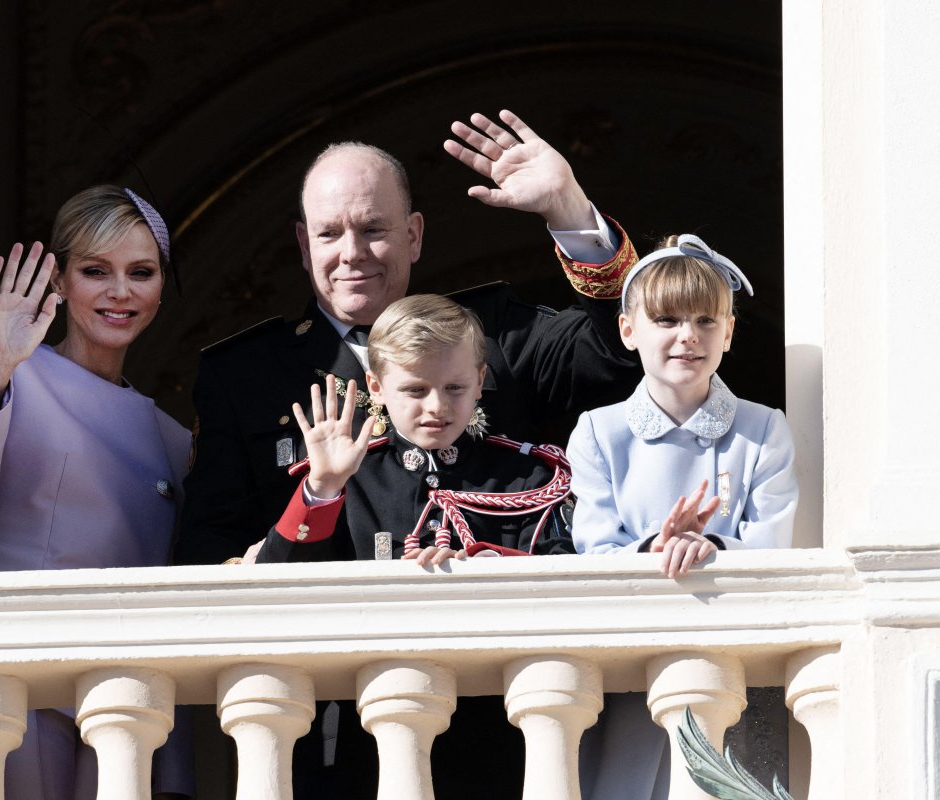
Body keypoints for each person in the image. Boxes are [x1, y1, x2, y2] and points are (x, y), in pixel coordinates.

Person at [176, 110, 643, 568]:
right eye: (329, 233)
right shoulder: (244, 373)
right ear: (304, 245)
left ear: (414, 235)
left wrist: (570, 213)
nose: (351, 253)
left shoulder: (493, 329)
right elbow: (207, 549)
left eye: (373, 229)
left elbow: (623, 349)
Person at [0, 185, 193, 800]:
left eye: (142, 272)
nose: (120, 291)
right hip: (17, 671)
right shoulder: (3, 359)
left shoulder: (172, 438)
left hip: (127, 692)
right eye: (95, 271)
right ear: (61, 280)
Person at [566, 233, 798, 800]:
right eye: (667, 319)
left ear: (729, 331)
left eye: (704, 320)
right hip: (629, 663)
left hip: (731, 660)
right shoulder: (599, 431)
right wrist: (655, 548)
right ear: (628, 330)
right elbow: (592, 549)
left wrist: (712, 547)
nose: (687, 336)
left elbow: (773, 547)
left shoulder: (763, 429)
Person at [259, 293, 576, 565]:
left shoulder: (526, 478)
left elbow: (567, 574)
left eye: (454, 387)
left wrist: (486, 564)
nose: (437, 406)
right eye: (415, 390)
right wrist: (322, 489)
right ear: (377, 387)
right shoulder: (352, 480)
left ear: (479, 382)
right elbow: (275, 585)